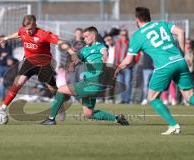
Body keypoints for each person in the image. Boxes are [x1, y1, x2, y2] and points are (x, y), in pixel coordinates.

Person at [114, 7, 194, 135]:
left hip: (164, 66)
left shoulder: (138, 35)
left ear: (137, 19)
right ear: (149, 17)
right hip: (179, 61)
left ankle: (173, 125)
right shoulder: (162, 24)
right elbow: (181, 31)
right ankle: (173, 125)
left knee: (152, 97)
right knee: (189, 96)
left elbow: (128, 61)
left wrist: (118, 68)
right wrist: (182, 52)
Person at [41, 26, 129, 126]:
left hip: (92, 84)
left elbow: (104, 52)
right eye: (83, 37)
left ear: (93, 36)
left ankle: (51, 119)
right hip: (90, 84)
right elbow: (77, 57)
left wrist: (104, 59)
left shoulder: (100, 46)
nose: (84, 39)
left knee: (61, 90)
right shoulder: (85, 49)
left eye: (86, 36)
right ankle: (117, 118)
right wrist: (73, 63)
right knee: (88, 114)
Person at [0, 15, 78, 113]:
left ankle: (63, 101)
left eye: (30, 29)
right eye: (26, 29)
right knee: (18, 82)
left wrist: (73, 53)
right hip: (29, 62)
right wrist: (5, 38)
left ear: (35, 25)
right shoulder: (23, 30)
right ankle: (3, 108)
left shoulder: (44, 34)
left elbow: (61, 42)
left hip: (44, 64)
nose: (28, 32)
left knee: (51, 88)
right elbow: (19, 34)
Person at [115, 29, 132, 104]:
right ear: (119, 36)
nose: (124, 36)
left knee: (127, 83)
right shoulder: (117, 43)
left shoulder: (129, 44)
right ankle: (121, 99)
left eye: (125, 35)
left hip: (127, 67)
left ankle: (127, 99)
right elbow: (115, 56)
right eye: (122, 35)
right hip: (119, 66)